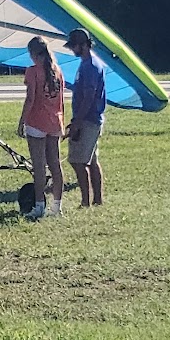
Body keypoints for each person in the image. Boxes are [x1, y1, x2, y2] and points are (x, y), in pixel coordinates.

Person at [17, 35, 65, 220]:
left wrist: (22, 121)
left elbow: (31, 98)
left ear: (33, 53)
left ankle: (39, 205)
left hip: (37, 120)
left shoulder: (33, 71)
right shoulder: (57, 71)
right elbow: (61, 101)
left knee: (39, 165)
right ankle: (57, 205)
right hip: (55, 120)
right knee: (55, 163)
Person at [64, 27, 106, 207]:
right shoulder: (87, 64)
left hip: (87, 120)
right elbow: (82, 89)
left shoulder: (90, 66)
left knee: (77, 161)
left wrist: (77, 122)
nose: (73, 50)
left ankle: (85, 201)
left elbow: (89, 95)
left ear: (83, 45)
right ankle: (97, 200)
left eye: (74, 46)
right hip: (93, 119)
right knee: (92, 161)